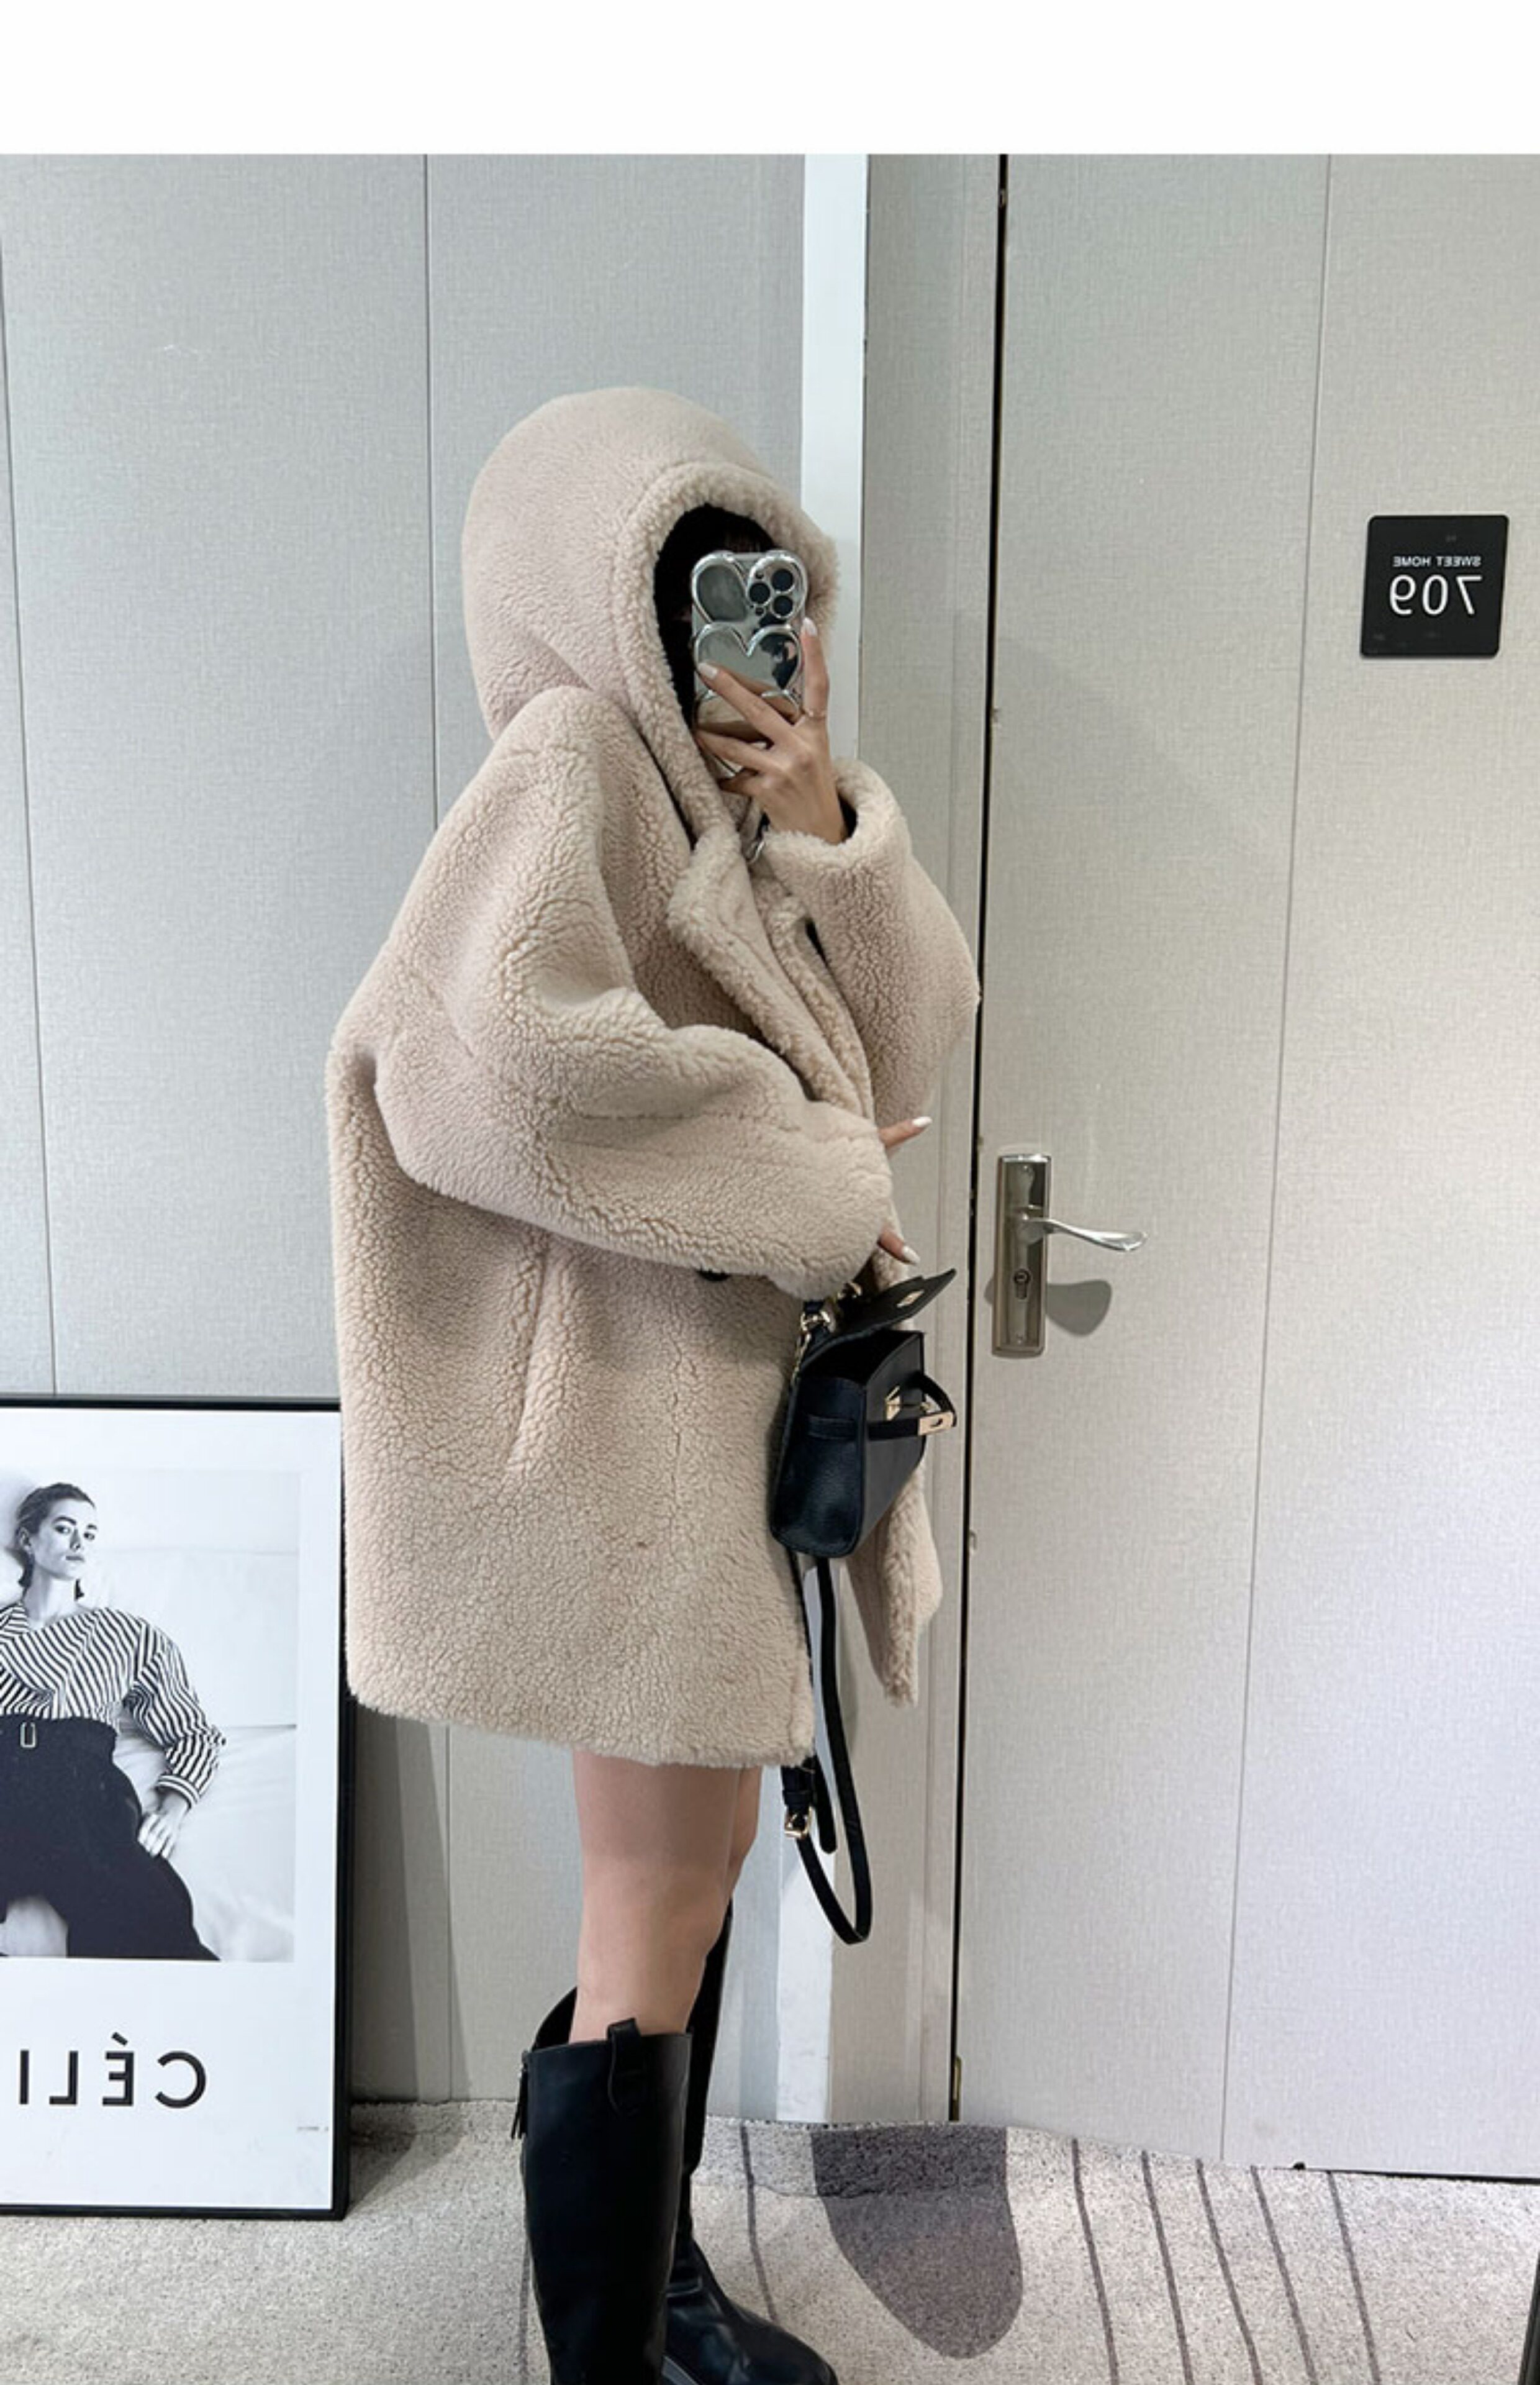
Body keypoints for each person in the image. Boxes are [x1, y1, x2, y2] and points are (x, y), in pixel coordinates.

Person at [324, 386, 982, 2383]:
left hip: (714, 1441)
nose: (739, 632)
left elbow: (906, 1055)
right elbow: (476, 1070)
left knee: (682, 1888)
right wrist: (798, 1179)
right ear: (587, 597)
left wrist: (828, 829)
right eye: (686, 587)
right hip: (633, 1443)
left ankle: (651, 2293)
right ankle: (621, 2343)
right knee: (655, 1896)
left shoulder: (726, 802)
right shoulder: (569, 764)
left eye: (758, 585)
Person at [0, 1482, 224, 1960]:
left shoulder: (128, 1635)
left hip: (81, 1788)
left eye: (90, 1533)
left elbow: (192, 1732)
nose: (79, 1543)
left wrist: (172, 1808)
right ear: (27, 1540)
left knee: (147, 1923)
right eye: (64, 1529)